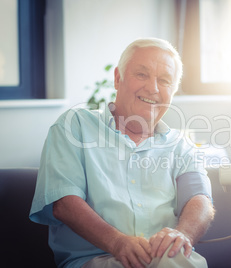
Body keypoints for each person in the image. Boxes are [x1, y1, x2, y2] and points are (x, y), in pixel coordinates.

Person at [30, 38, 215, 268]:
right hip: (98, 260)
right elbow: (64, 204)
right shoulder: (74, 126)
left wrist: (183, 234)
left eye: (165, 80)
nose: (153, 88)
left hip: (168, 259)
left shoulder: (181, 145)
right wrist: (118, 243)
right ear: (118, 78)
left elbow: (200, 200)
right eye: (142, 74)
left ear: (173, 91)